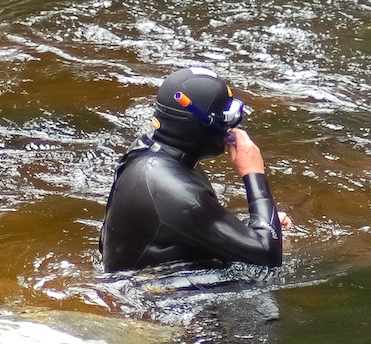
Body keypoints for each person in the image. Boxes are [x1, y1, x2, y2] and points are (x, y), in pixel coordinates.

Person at [100, 67, 291, 272]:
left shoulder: (152, 153)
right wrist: (254, 172)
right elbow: (268, 255)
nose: (232, 127)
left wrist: (259, 225)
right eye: (228, 119)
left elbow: (184, 223)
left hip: (156, 282)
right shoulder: (170, 189)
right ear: (205, 124)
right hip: (156, 296)